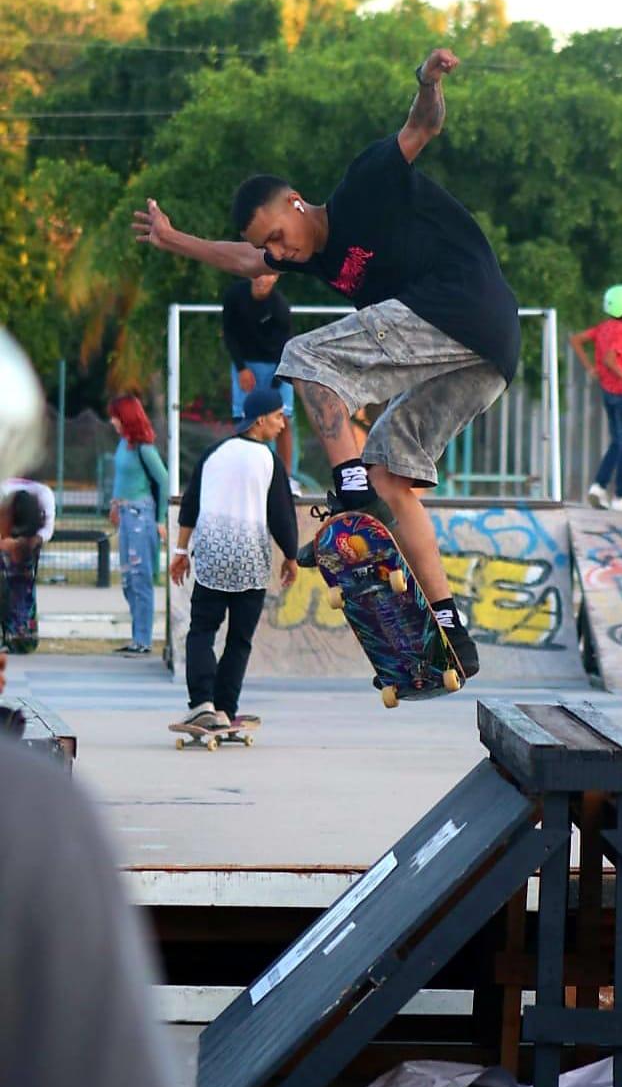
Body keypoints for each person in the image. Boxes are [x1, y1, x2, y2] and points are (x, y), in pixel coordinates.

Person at [133, 47, 521, 680]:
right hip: (485, 359)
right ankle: (452, 633)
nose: (277, 253)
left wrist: (425, 80)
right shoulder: (299, 255)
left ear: (296, 204)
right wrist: (175, 240)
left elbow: (421, 128)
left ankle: (351, 497)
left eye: (278, 236)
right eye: (270, 248)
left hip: (461, 310)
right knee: (395, 476)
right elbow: (243, 260)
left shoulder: (364, 184)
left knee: (304, 355)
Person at [0, 329, 186, 1087]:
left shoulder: (142, 450)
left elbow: (150, 489)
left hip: (147, 530)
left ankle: (148, 628)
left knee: (145, 587)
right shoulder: (26, 814)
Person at [170, 388, 298, 731]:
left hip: (213, 559)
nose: (282, 424)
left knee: (202, 631)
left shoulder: (214, 453)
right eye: (277, 416)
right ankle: (225, 708)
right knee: (239, 639)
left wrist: (181, 553)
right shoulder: (270, 461)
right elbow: (282, 515)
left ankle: (202, 704)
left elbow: (190, 504)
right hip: (250, 562)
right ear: (260, 420)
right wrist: (291, 557)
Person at [569, 284, 622, 510]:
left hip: (607, 391)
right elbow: (610, 360)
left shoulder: (603, 327)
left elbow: (575, 340)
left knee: (617, 441)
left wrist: (589, 369)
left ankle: (599, 486)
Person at [222, 272, 299, 489]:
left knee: (284, 419)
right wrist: (241, 368)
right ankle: (242, 473)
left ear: (275, 278)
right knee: (243, 419)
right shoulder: (234, 296)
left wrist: (277, 380)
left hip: (279, 364)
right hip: (246, 365)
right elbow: (229, 334)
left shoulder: (280, 306)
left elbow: (286, 344)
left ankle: (286, 478)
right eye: (258, 273)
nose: (262, 279)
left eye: (268, 275)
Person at [108, 394, 169, 655]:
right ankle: (137, 636)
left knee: (141, 577)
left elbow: (164, 480)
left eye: (116, 416)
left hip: (141, 517)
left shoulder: (145, 448)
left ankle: (143, 639)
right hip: (125, 515)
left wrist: (161, 519)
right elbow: (121, 477)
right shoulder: (125, 444)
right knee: (128, 579)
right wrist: (114, 504)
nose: (112, 421)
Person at [0, 476, 55, 652]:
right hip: (8, 541)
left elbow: (47, 530)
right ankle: (12, 633)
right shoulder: (4, 491)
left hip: (28, 543)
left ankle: (22, 636)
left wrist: (26, 543)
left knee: (22, 588)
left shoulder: (43, 493)